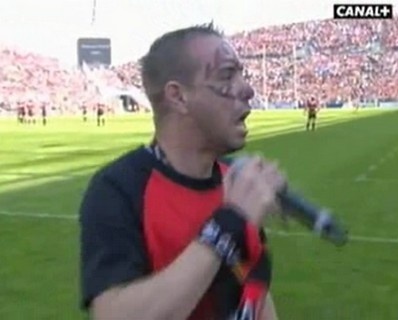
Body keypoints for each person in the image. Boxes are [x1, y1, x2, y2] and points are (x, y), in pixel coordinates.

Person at [79, 23, 285, 320]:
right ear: (178, 97)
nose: (248, 89)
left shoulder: (235, 182)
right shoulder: (119, 187)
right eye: (227, 75)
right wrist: (226, 227)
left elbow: (254, 291)